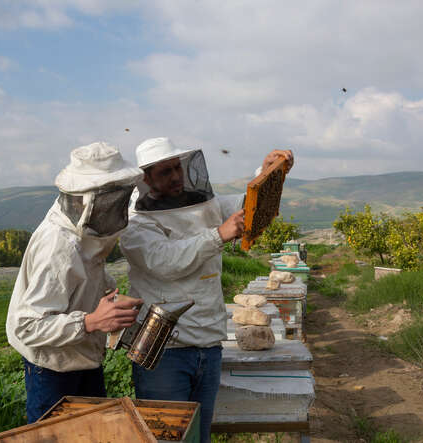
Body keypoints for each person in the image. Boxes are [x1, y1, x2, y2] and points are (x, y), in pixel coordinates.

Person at [120, 137, 293, 442]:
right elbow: (164, 261)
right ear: (145, 178)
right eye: (164, 172)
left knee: (199, 436)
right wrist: (218, 235)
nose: (175, 176)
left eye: (177, 168)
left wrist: (268, 172)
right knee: (169, 438)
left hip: (208, 344)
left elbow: (245, 204)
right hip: (164, 350)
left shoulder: (201, 202)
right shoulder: (135, 222)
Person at [6, 142, 144, 423]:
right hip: (53, 372)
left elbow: (85, 272)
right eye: (113, 197)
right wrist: (91, 322)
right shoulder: (58, 246)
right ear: (90, 197)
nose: (117, 205)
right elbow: (27, 326)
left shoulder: (82, 225)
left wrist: (111, 294)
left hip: (83, 358)